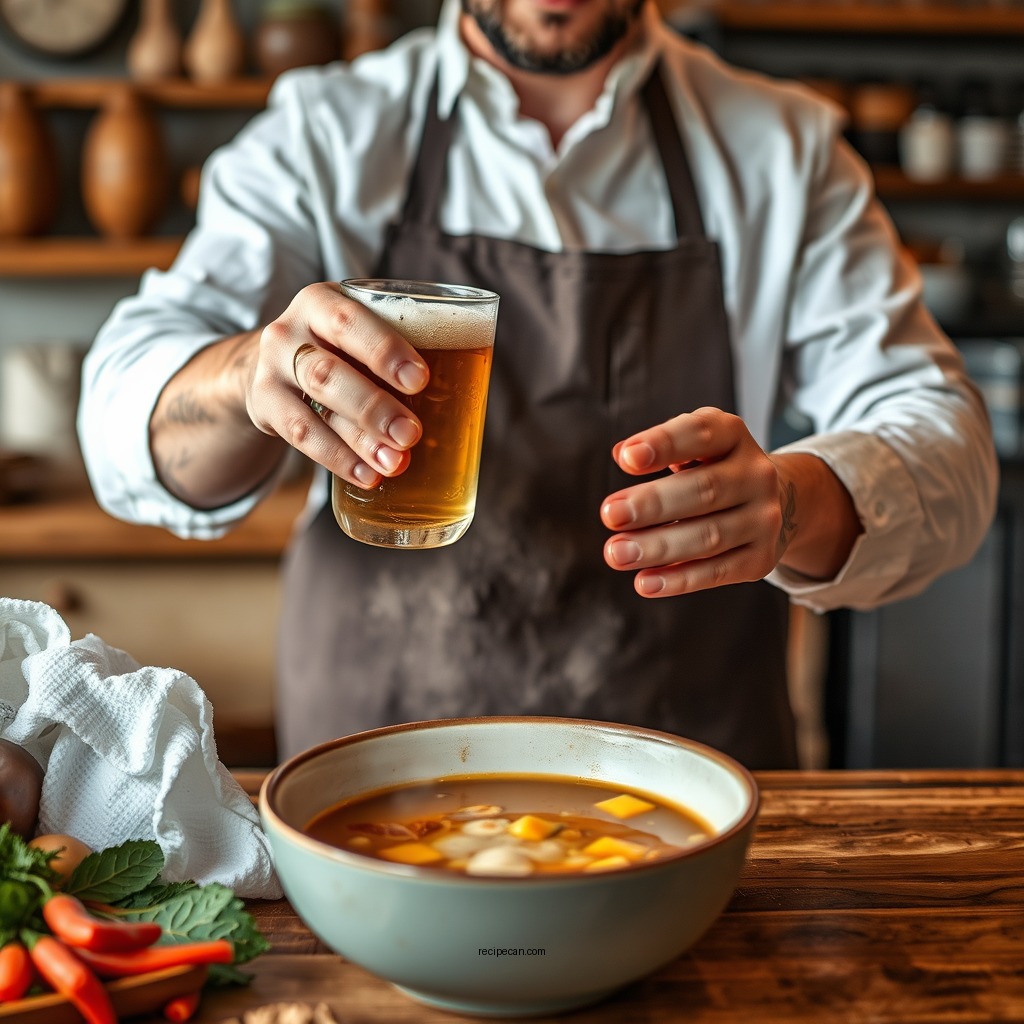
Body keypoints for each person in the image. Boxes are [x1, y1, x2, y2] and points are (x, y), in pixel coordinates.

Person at [78, 0, 998, 769]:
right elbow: (124, 409)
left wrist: (795, 502)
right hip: (375, 788)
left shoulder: (782, 150)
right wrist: (247, 376)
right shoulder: (328, 133)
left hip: (679, 800)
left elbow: (948, 443)